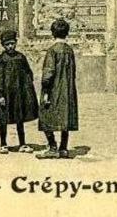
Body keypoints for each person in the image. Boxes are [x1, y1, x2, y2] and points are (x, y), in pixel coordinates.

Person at [37, 18, 78, 159]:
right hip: (68, 89)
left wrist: (45, 89)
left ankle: (52, 146)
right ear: (67, 33)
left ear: (52, 33)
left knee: (45, 115)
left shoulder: (52, 51)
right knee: (65, 116)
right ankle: (64, 148)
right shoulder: (69, 50)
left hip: (54, 89)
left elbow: (48, 72)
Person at [0, 30, 39, 154]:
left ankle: (22, 143)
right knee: (4, 119)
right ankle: (3, 144)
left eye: (12, 43)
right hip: (5, 94)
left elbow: (28, 72)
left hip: (19, 94)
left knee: (20, 119)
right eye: (7, 44)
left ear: (16, 43)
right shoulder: (1, 59)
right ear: (3, 45)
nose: (10, 46)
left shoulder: (21, 57)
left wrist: (27, 87)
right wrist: (0, 95)